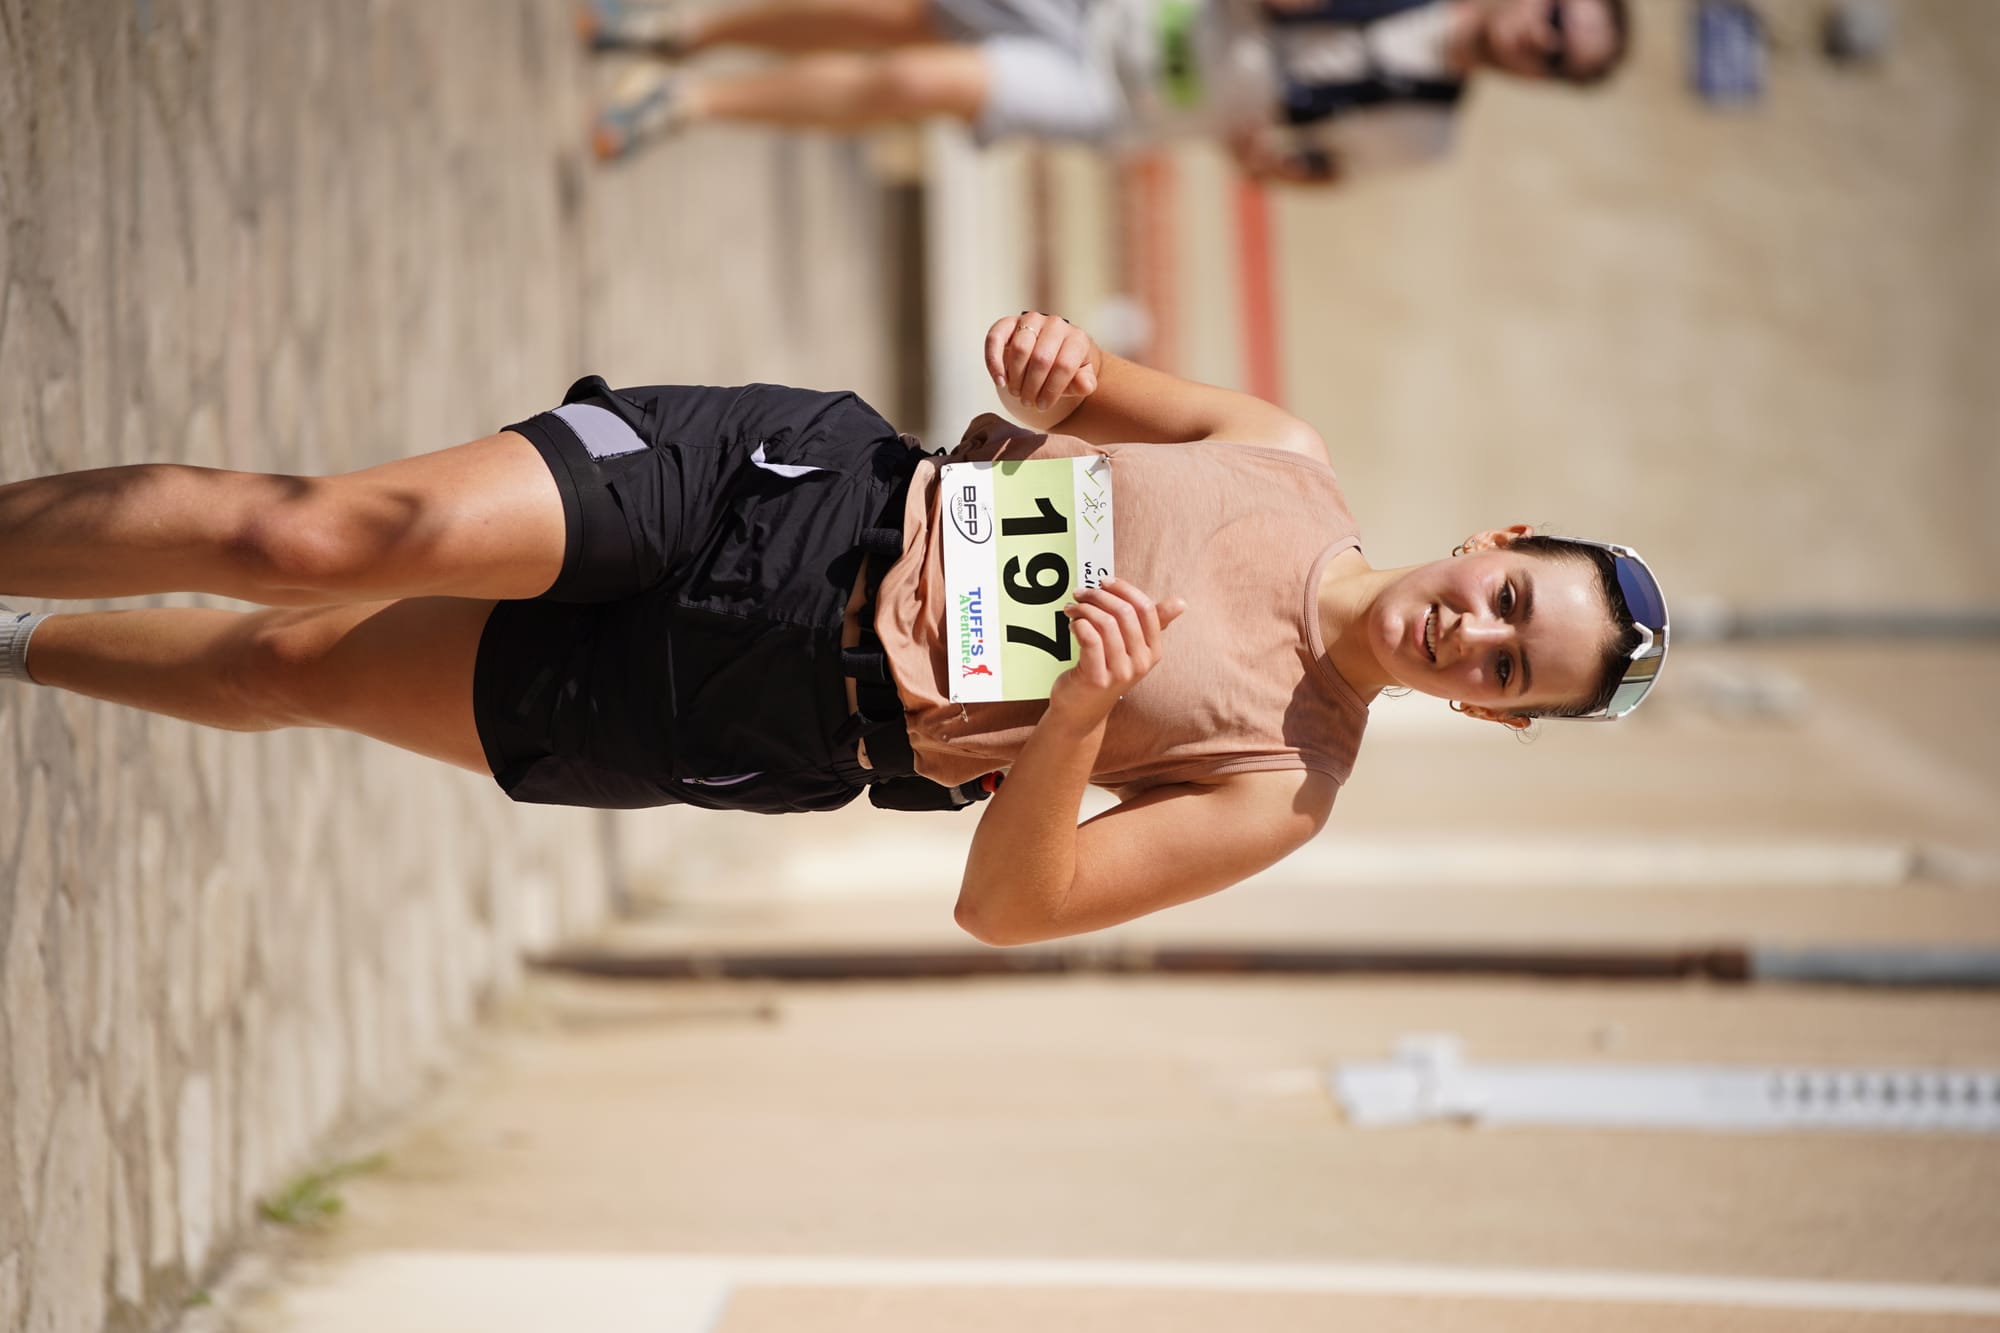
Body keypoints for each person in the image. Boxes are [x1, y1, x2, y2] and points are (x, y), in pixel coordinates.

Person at [0, 311, 1668, 944]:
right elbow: (1072, 389)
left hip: (761, 706)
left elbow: (1008, 905)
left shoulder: (1281, 789)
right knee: (316, 537)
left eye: (1514, 668)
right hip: (787, 488)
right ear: (1496, 540)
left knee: (283, 666)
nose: (1481, 634)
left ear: (1502, 716)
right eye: (1515, 600)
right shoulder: (1283, 458)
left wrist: (1080, 710)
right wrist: (1045, 372)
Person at [582, 0, 1631, 184]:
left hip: (1122, 100)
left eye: (1557, 58)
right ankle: (684, 33)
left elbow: (1317, 173)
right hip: (1122, 4)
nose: (1535, 41)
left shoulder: (1424, 132)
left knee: (917, 79)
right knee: (892, 14)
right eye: (1554, 20)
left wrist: (1268, 163)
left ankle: (684, 106)